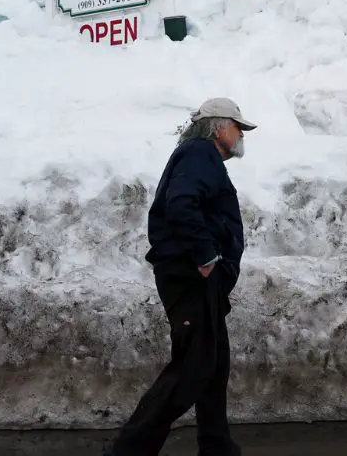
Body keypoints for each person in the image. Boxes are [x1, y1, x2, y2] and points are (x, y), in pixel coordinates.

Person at [102, 97, 256, 456]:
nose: (241, 135)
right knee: (192, 368)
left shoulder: (201, 158)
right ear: (219, 128)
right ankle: (128, 451)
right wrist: (205, 256)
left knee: (214, 366)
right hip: (191, 278)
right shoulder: (198, 153)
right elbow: (181, 204)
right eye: (238, 127)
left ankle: (217, 448)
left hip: (202, 281)